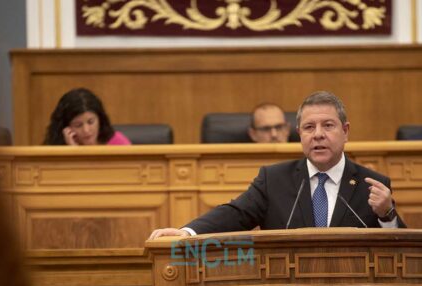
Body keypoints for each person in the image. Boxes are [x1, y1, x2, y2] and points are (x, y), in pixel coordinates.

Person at [149, 91, 406, 239]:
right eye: (309, 127)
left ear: (345, 131)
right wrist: (188, 231)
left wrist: (388, 215)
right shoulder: (274, 180)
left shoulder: (371, 184)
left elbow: (402, 251)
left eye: (328, 126)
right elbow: (235, 214)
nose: (317, 134)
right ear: (299, 133)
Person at [43, 88, 131, 145]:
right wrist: (71, 153)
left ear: (100, 119)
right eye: (78, 125)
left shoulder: (118, 142)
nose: (86, 130)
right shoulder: (54, 150)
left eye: (91, 122)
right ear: (66, 128)